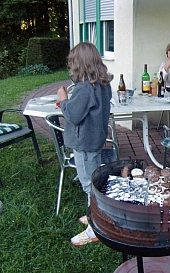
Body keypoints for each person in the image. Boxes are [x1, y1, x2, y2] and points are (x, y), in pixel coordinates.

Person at [57, 42, 113, 246]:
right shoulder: (103, 84)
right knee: (94, 179)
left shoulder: (84, 88)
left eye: (72, 62)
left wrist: (63, 100)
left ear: (79, 64)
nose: (71, 66)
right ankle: (95, 217)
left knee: (89, 183)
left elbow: (73, 115)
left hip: (84, 143)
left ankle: (95, 229)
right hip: (95, 140)